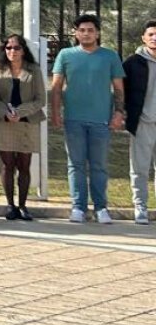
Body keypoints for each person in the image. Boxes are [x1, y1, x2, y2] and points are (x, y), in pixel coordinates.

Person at [52, 13, 125, 224]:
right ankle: (78, 207)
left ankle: (101, 207)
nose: (86, 34)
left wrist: (119, 113)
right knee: (75, 165)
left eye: (90, 30)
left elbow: (119, 88)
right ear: (76, 33)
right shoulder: (65, 55)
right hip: (73, 119)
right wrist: (56, 113)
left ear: (98, 33)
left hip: (101, 120)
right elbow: (56, 87)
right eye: (82, 30)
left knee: (99, 165)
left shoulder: (110, 56)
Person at [0, 34, 45, 221]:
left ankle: (23, 205)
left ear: (23, 50)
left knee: (24, 165)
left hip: (27, 122)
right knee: (7, 165)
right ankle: (10, 205)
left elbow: (40, 99)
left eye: (16, 48)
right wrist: (5, 112)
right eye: (9, 48)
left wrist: (20, 111)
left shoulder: (34, 70)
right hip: (4, 123)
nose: (12, 51)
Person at [123, 20, 156, 225]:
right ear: (144, 37)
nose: (154, 38)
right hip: (142, 122)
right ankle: (140, 206)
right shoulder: (133, 63)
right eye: (151, 34)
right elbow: (121, 91)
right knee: (140, 168)